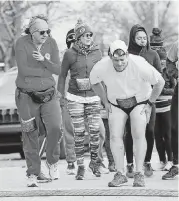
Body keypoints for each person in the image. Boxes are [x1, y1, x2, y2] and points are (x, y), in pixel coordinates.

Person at [90, 40, 165, 187]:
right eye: (116, 60)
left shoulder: (139, 64)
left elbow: (160, 82)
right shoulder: (102, 66)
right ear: (110, 57)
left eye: (122, 60)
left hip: (140, 101)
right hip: (116, 103)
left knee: (138, 133)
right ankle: (120, 173)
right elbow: (93, 81)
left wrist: (150, 103)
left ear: (128, 56)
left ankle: (139, 173)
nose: (119, 63)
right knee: (114, 135)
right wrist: (104, 100)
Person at [14, 15, 62, 187]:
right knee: (30, 134)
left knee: (56, 127)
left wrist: (44, 61)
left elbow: (58, 68)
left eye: (48, 31)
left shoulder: (52, 43)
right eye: (42, 32)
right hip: (26, 96)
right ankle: (33, 173)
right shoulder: (21, 43)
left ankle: (52, 161)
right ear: (32, 32)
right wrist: (46, 69)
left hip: (49, 94)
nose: (46, 34)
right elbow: (24, 70)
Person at [59, 28, 110, 175]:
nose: (88, 37)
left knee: (96, 132)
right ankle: (79, 165)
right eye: (85, 35)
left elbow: (102, 76)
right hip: (75, 97)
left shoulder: (97, 53)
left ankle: (95, 163)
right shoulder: (69, 54)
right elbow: (62, 76)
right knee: (78, 133)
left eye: (90, 35)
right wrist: (60, 95)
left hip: (93, 97)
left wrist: (105, 98)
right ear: (78, 37)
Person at [125, 24, 162, 178]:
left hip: (148, 99)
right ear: (133, 39)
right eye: (138, 38)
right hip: (130, 99)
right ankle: (130, 164)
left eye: (144, 38)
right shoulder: (126, 55)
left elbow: (159, 77)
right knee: (131, 132)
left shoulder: (152, 54)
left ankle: (147, 162)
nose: (142, 41)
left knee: (150, 130)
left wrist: (152, 96)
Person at [150, 28, 175, 171]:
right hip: (154, 105)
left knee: (167, 134)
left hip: (167, 106)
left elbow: (174, 89)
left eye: (163, 61)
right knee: (157, 135)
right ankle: (161, 160)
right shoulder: (151, 71)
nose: (161, 63)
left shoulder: (169, 73)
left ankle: (171, 160)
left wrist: (162, 89)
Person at [162, 40, 178, 180]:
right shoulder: (177, 44)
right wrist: (176, 75)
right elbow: (169, 62)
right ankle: (176, 165)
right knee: (174, 127)